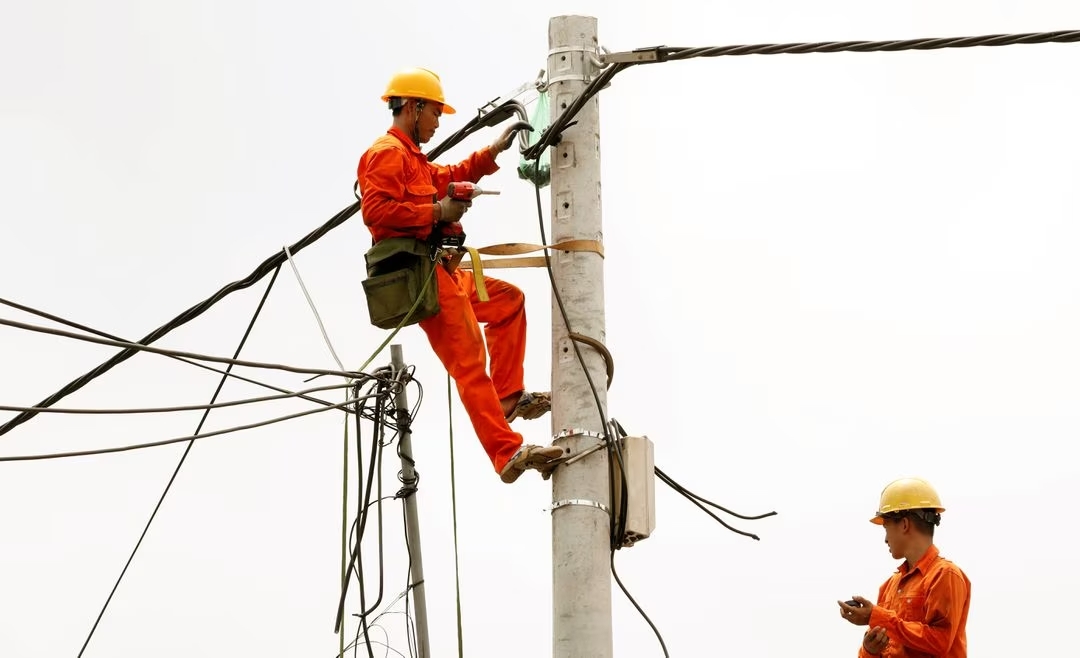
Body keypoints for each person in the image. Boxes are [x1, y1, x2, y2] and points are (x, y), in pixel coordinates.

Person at [356, 67, 565, 484]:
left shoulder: (413, 159)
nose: (437, 123)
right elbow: (375, 213)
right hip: (419, 277)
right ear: (413, 107)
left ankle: (507, 396)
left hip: (443, 271)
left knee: (508, 302)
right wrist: (436, 212)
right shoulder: (385, 154)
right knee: (470, 360)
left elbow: (448, 177)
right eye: (434, 113)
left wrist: (491, 153)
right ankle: (506, 453)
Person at [838, 477, 971, 657]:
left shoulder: (944, 575)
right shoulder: (889, 587)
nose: (885, 539)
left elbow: (940, 641)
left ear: (904, 524)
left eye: (886, 528)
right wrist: (870, 651)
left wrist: (877, 617)